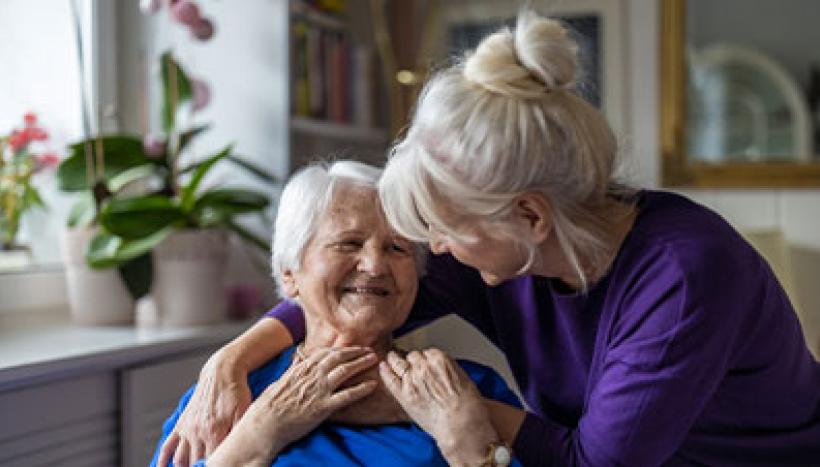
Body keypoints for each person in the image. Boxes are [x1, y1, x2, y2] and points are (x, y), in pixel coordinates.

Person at [163, 11, 820, 466]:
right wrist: (234, 357)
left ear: (530, 218)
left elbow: (594, 460)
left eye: (442, 230)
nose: (429, 252)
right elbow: (356, 294)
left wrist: (447, 414)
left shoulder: (685, 276)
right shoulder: (500, 256)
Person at [152, 161, 522, 467]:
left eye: (397, 248)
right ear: (289, 273)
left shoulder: (465, 388)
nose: (376, 266)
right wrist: (259, 433)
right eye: (349, 243)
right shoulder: (228, 397)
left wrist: (469, 442)